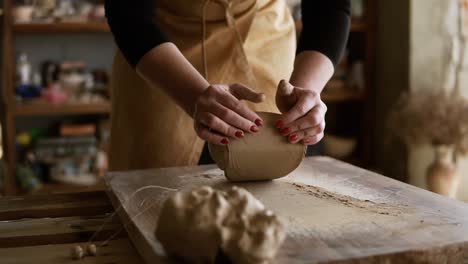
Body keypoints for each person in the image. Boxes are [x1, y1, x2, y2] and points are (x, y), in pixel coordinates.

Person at [104, 0, 350, 171]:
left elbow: (328, 7)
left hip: (265, 43)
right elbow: (128, 13)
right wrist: (193, 95)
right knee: (157, 200)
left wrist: (306, 91)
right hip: (166, 64)